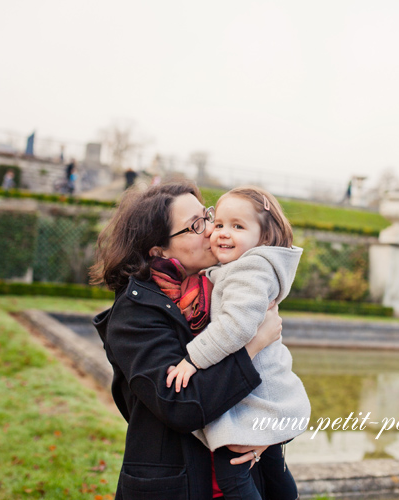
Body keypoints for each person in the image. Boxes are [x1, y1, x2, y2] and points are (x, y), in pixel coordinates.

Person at [90, 181, 284, 499]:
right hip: (177, 488)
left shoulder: (227, 290)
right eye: (196, 225)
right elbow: (179, 406)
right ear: (158, 249)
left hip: (242, 482)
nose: (211, 230)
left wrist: (268, 434)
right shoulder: (134, 314)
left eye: (207, 216)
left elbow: (275, 379)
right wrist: (253, 343)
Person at [166, 186, 310, 500]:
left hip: (253, 396)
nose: (222, 233)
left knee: (232, 473)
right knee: (274, 470)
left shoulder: (251, 270)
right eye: (218, 224)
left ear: (264, 238)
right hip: (259, 390)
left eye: (238, 226)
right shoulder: (241, 268)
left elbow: (236, 326)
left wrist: (193, 359)